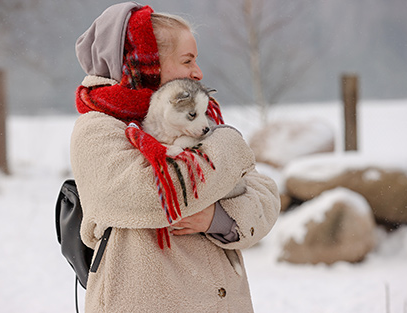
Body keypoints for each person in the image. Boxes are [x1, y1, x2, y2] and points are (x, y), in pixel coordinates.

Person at [70, 2, 280, 312]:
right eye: (187, 60)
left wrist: (216, 218)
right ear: (147, 64)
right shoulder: (96, 130)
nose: (198, 72)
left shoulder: (196, 119)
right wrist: (230, 145)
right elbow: (152, 196)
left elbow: (265, 194)